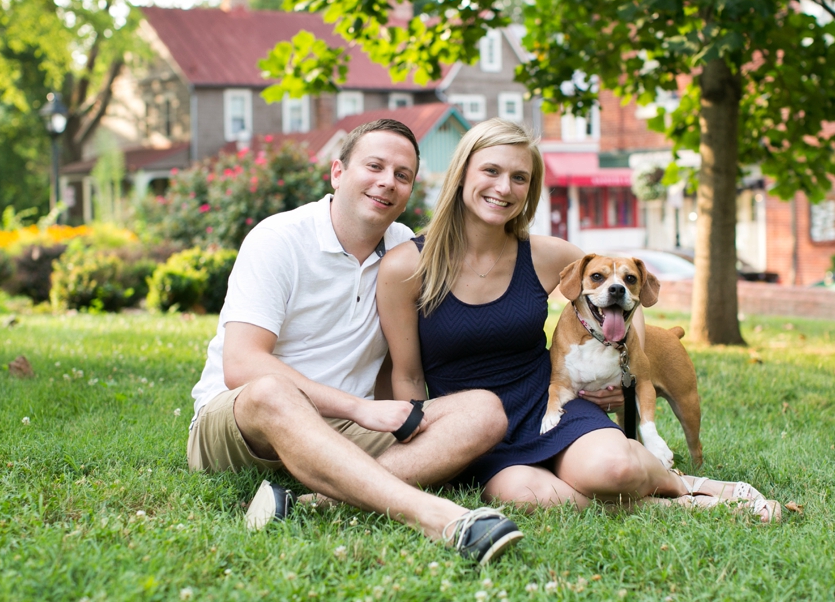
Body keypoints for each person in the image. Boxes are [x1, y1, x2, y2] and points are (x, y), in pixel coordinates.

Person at [377, 118, 781, 520]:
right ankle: (684, 509)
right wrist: (426, 451)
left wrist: (623, 367)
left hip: (551, 403)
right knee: (531, 497)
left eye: (520, 178)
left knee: (615, 469)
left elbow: (622, 288)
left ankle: (693, 485)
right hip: (476, 431)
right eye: (491, 171)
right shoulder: (406, 267)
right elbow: (409, 377)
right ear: (462, 173)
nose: (504, 188)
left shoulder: (546, 255)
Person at [187, 119, 525, 564]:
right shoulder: (279, 239)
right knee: (273, 391)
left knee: (483, 411)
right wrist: (360, 408)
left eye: (402, 175)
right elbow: (243, 365)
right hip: (243, 423)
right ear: (338, 173)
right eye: (374, 166)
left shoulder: (406, 249)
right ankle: (437, 517)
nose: (387, 182)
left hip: (345, 434)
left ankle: (310, 503)